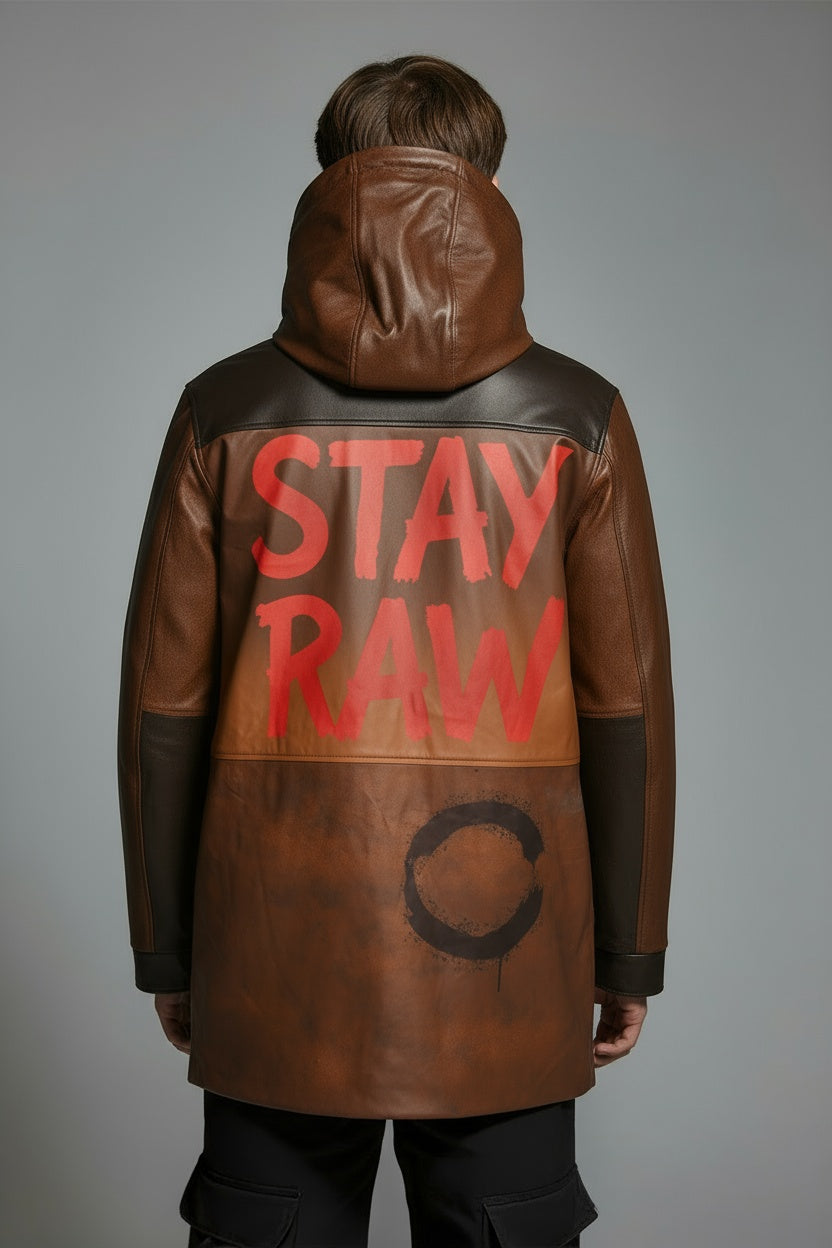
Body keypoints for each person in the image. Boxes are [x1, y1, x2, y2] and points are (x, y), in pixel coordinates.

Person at [117, 53, 675, 1248]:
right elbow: (624, 711)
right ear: (490, 185)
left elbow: (165, 710)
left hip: (271, 950)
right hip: (506, 947)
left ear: (329, 177)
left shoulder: (223, 410)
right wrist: (628, 953)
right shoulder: (575, 417)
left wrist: (169, 947)